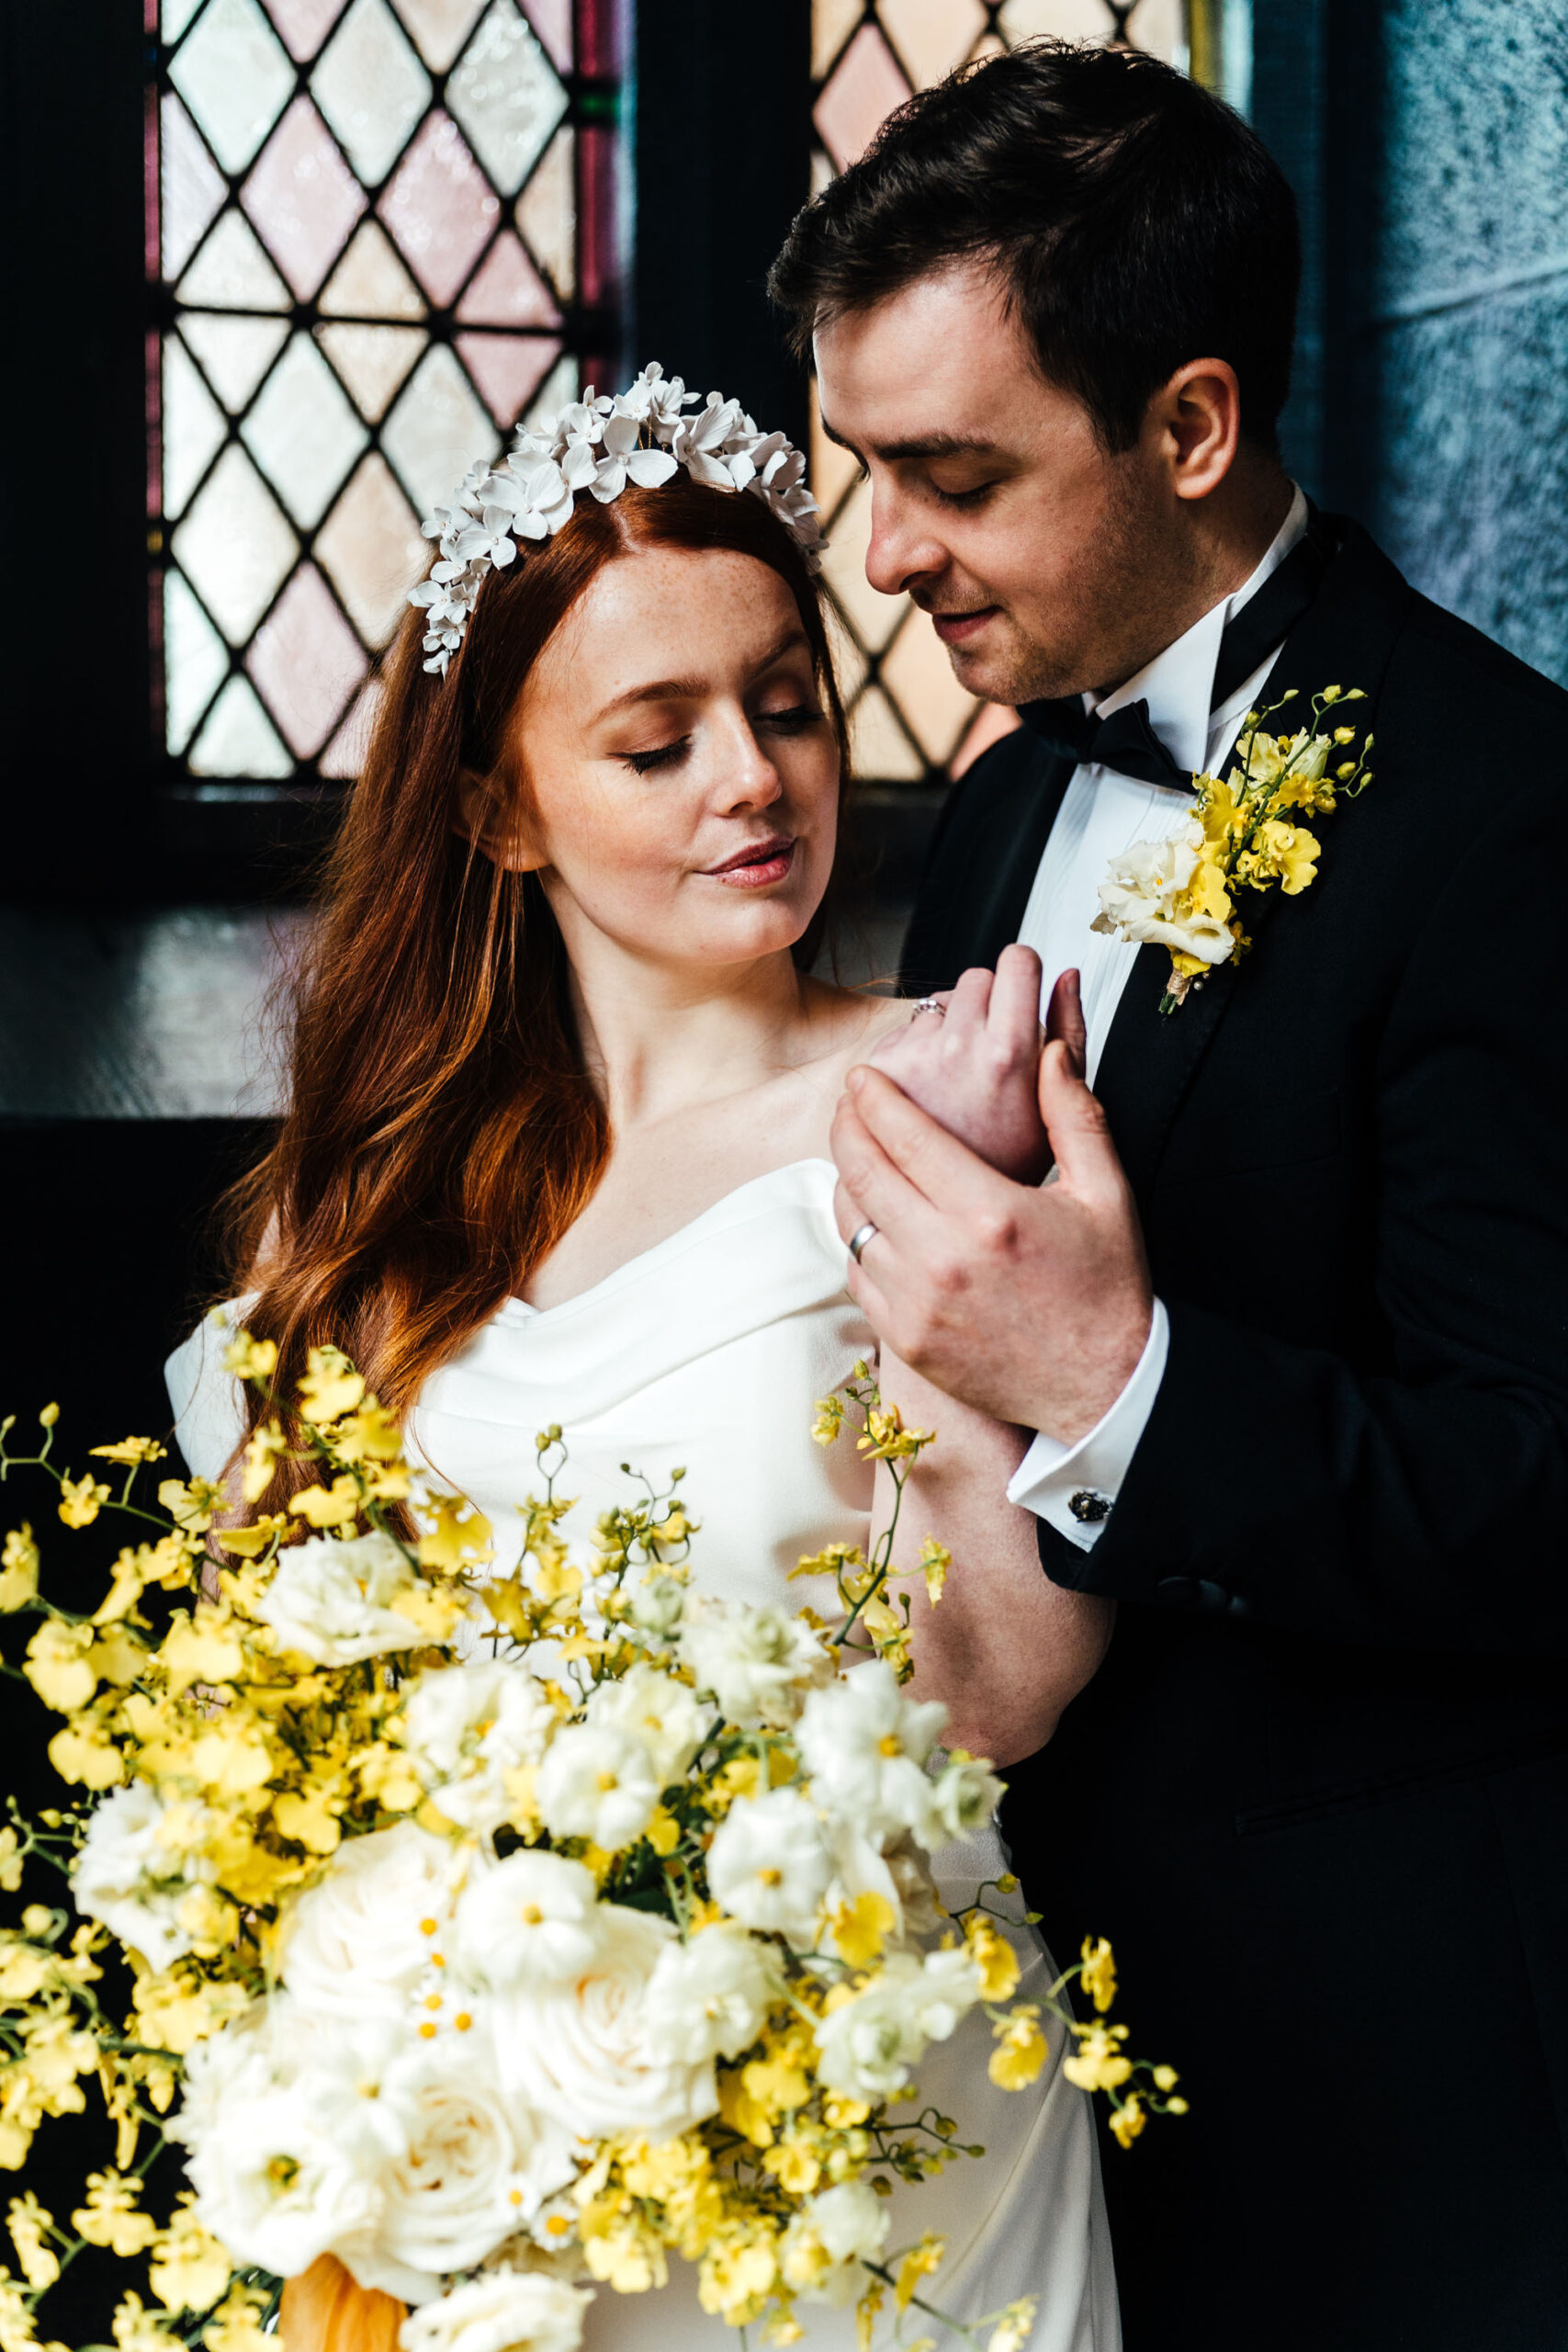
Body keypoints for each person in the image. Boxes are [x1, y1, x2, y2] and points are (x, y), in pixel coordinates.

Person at [164, 375, 1122, 2348]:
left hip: (873, 2123)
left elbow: (1004, 1687)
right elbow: (259, 1727)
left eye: (786, 705)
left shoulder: (944, 1089)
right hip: (480, 2131)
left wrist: (945, 1227)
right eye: (656, 740)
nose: (751, 779)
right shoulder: (371, 1207)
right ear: (499, 806)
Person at [769, 39, 1568, 2352]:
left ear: (1191, 425)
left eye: (950, 476)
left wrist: (1116, 1378)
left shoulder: (1507, 816)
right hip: (1012, 2043)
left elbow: (1537, 1482)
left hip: (1374, 2080)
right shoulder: (1008, 809)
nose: (883, 552)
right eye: (866, 471)